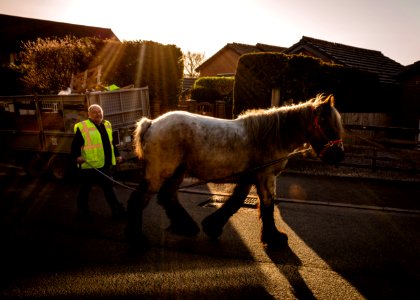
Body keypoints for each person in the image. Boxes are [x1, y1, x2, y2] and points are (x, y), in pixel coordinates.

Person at [71, 104, 125, 221]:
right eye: (95, 112)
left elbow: (111, 143)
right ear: (89, 114)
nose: (98, 114)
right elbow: (75, 146)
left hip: (105, 165)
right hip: (90, 166)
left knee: (109, 188)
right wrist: (77, 156)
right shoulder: (83, 127)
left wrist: (117, 155)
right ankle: (82, 212)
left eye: (100, 112)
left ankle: (117, 212)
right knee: (85, 190)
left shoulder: (107, 125)